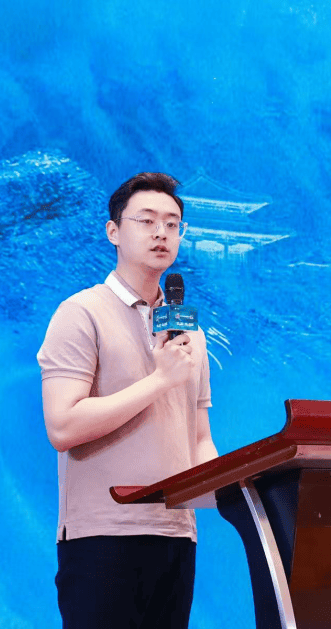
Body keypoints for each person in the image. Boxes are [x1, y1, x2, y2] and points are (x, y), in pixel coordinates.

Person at [37, 172, 218, 628]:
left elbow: (199, 439)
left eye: (173, 224)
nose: (162, 233)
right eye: (147, 220)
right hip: (102, 537)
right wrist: (159, 381)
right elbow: (62, 426)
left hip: (176, 536)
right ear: (113, 231)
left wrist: (236, 494)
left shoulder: (189, 334)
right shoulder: (81, 312)